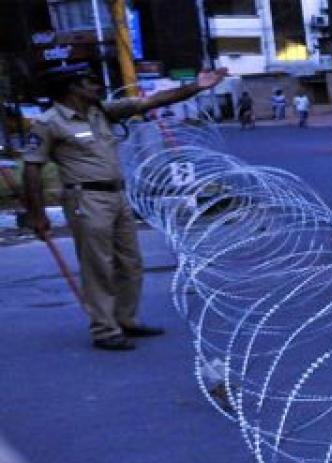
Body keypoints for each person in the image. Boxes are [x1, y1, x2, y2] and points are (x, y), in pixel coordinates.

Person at [22, 63, 229, 350]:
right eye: (89, 81)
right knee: (98, 265)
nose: (96, 86)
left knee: (130, 262)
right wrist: (37, 214)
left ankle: (125, 319)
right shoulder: (49, 123)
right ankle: (105, 330)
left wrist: (197, 86)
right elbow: (32, 169)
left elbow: (153, 101)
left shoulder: (102, 111)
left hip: (118, 196)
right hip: (86, 198)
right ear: (72, 87)